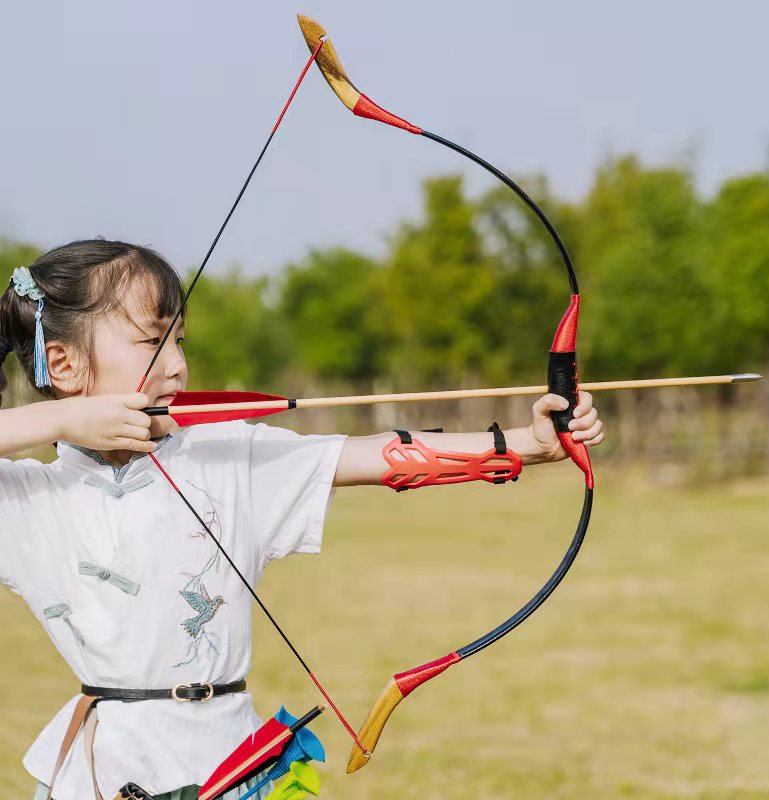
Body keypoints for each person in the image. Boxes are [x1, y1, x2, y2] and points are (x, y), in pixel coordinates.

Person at [0, 239, 604, 800]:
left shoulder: (227, 456)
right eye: (155, 342)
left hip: (230, 767)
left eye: (181, 341)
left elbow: (379, 455)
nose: (178, 366)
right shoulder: (31, 500)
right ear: (66, 365)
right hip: (104, 776)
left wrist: (527, 443)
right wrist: (56, 423)